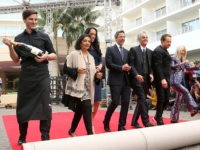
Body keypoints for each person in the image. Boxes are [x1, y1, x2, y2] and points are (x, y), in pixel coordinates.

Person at [2, 9, 57, 144]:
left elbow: (54, 55)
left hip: (42, 74)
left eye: (36, 19)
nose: (34, 22)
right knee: (23, 107)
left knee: (45, 105)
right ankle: (22, 137)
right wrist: (10, 47)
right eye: (31, 19)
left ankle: (45, 137)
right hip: (26, 75)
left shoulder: (44, 36)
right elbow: (16, 60)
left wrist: (45, 56)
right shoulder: (19, 39)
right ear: (25, 20)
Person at [65, 34, 102, 136]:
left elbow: (93, 74)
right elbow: (66, 69)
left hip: (89, 88)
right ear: (80, 42)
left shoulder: (91, 57)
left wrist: (97, 76)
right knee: (87, 108)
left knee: (80, 111)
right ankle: (90, 134)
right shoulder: (74, 54)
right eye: (85, 41)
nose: (87, 43)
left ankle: (72, 130)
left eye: (89, 41)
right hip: (78, 88)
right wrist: (76, 70)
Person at [103, 30, 131, 132]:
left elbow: (130, 64)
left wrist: (129, 68)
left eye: (124, 36)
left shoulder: (127, 52)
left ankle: (121, 125)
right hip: (115, 80)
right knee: (114, 102)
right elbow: (108, 64)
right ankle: (106, 121)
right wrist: (121, 67)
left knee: (126, 103)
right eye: (120, 36)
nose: (122, 38)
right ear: (116, 38)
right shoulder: (110, 49)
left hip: (126, 81)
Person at [128, 31, 154, 128]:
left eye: (146, 37)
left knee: (141, 100)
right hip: (137, 79)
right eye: (143, 37)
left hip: (146, 80)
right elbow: (131, 64)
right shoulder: (133, 50)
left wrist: (151, 74)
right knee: (143, 98)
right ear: (139, 39)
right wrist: (136, 75)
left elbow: (152, 66)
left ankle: (134, 121)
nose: (145, 39)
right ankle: (146, 122)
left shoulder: (150, 52)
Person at [170, 45, 200, 123]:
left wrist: (197, 67)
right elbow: (172, 67)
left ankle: (174, 118)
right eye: (182, 50)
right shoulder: (173, 58)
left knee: (178, 100)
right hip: (174, 81)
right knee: (186, 91)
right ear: (178, 50)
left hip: (180, 82)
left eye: (184, 51)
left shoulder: (183, 60)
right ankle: (193, 108)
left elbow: (189, 68)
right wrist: (182, 63)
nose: (183, 52)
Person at [152, 34, 172, 125]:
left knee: (167, 99)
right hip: (161, 79)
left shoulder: (166, 51)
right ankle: (159, 118)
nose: (169, 43)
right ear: (162, 41)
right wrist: (162, 79)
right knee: (161, 99)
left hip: (167, 78)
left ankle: (157, 116)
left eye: (170, 42)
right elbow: (157, 67)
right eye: (168, 41)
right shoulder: (158, 51)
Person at [84, 27, 103, 119]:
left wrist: (100, 66)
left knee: (97, 101)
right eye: (91, 34)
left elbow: (100, 61)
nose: (93, 36)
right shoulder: (83, 48)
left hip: (96, 78)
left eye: (94, 34)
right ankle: (88, 121)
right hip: (86, 77)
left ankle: (91, 121)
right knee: (87, 102)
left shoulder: (96, 48)